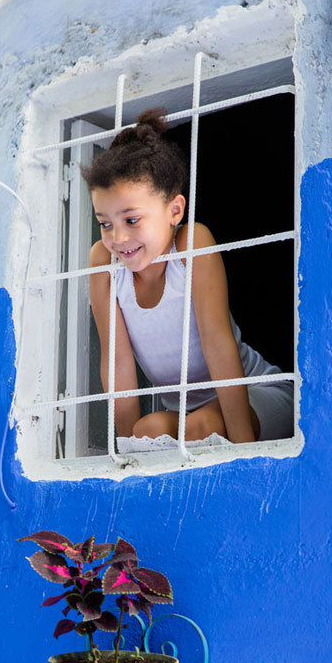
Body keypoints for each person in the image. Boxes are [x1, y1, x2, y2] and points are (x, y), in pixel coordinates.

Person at [82, 107, 293, 444]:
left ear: (174, 210)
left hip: (252, 393)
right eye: (105, 223)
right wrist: (127, 456)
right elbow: (118, 362)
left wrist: (243, 449)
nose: (118, 238)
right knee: (144, 433)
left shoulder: (191, 243)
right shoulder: (104, 262)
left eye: (132, 220)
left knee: (203, 427)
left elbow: (217, 343)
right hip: (188, 413)